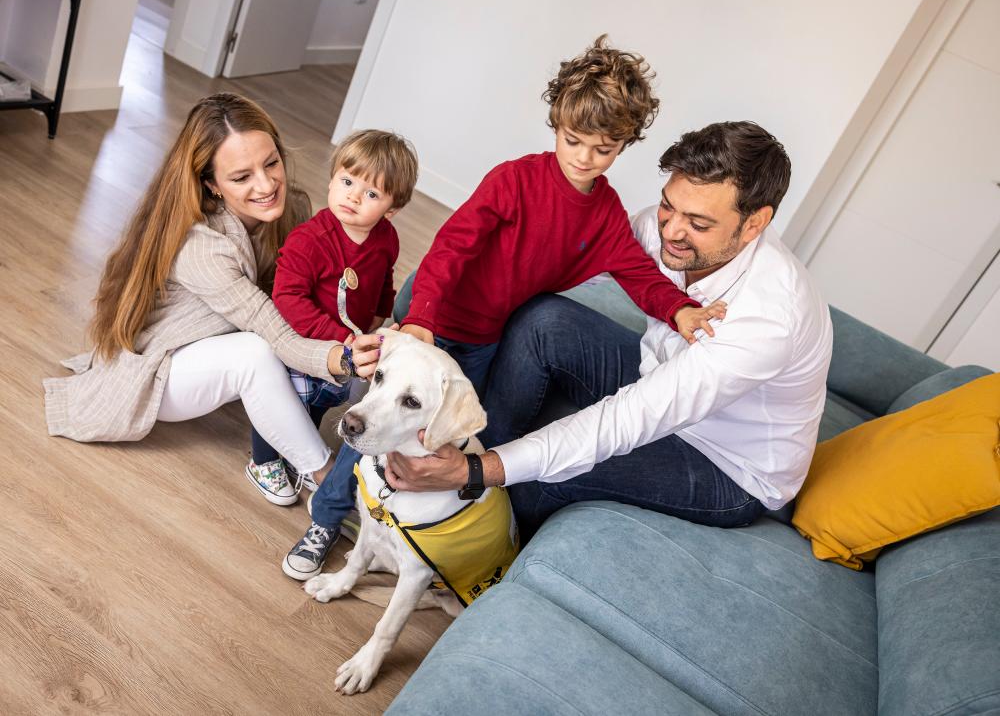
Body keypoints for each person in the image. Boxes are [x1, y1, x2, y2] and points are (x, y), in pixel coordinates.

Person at [383, 121, 834, 542]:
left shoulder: (768, 319)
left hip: (725, 463)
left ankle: (468, 522)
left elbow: (632, 417)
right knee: (542, 318)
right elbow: (568, 259)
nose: (672, 231)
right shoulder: (662, 231)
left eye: (698, 224)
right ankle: (473, 444)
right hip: (655, 377)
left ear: (755, 223)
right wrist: (427, 307)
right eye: (667, 206)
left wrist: (478, 472)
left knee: (545, 478)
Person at [43, 93, 381, 507]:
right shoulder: (203, 246)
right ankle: (327, 478)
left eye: (271, 163)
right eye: (241, 177)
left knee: (322, 362)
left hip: (226, 340)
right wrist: (342, 358)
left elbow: (306, 293)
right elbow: (269, 325)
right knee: (255, 354)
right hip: (166, 370)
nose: (266, 185)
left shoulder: (293, 206)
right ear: (211, 185)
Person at [398, 35, 724, 401]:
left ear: (624, 144)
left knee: (442, 434)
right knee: (386, 417)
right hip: (436, 317)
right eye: (573, 141)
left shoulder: (607, 215)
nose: (584, 159)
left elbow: (639, 274)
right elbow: (452, 247)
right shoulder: (513, 180)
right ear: (556, 125)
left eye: (603, 150)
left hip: (484, 341)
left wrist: (678, 308)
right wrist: (420, 315)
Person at [261, 129, 419, 580]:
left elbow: (383, 278)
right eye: (347, 182)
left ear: (391, 207)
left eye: (371, 193)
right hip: (306, 338)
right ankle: (265, 457)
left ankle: (303, 448)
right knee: (292, 396)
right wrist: (337, 341)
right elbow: (287, 298)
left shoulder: (385, 238)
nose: (353, 197)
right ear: (332, 180)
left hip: (350, 340)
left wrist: (384, 314)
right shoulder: (310, 240)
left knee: (328, 399)